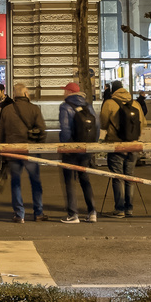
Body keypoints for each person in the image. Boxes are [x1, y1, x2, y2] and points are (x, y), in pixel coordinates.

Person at [0, 84, 46, 222]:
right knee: (35, 181)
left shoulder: (7, 110)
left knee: (16, 182)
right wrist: (39, 146)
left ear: (14, 95)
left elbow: (1, 132)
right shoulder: (34, 109)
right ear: (25, 94)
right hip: (31, 150)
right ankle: (38, 212)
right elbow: (42, 130)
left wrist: (3, 152)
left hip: (13, 151)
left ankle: (20, 214)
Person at [57, 82, 98, 223]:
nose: (64, 93)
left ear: (69, 92)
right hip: (86, 149)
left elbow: (65, 129)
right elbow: (96, 127)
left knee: (70, 182)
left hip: (71, 150)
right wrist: (91, 147)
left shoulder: (65, 106)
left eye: (65, 91)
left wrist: (64, 147)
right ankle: (92, 212)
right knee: (85, 179)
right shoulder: (88, 106)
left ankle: (73, 214)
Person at [100, 81, 138, 218]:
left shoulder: (109, 103)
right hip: (133, 145)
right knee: (129, 177)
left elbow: (103, 124)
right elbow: (143, 122)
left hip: (116, 145)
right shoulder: (135, 103)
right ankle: (129, 209)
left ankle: (119, 209)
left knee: (118, 177)